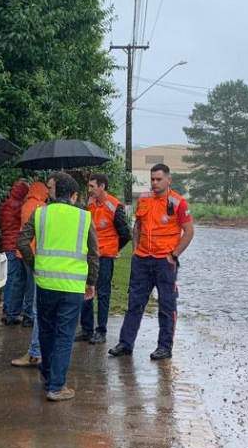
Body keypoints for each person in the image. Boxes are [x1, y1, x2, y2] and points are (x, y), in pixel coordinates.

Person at [17, 172, 99, 401]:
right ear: (73, 195)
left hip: (45, 283)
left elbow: (22, 241)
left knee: (46, 330)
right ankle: (57, 386)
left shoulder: (40, 213)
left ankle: (47, 375)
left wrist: (34, 264)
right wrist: (91, 282)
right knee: (64, 335)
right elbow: (94, 253)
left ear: (54, 193)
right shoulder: (84, 218)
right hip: (72, 287)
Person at [108, 163, 194, 361]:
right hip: (143, 260)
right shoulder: (144, 199)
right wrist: (137, 250)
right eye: (152, 179)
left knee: (166, 305)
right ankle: (125, 343)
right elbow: (137, 226)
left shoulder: (178, 202)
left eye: (158, 179)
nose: (154, 183)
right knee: (134, 303)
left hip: (165, 262)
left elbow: (189, 231)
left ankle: (165, 347)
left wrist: (174, 255)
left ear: (168, 180)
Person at [77, 173, 131, 344]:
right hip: (88, 256)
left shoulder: (115, 206)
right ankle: (86, 329)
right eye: (89, 186)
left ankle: (101, 330)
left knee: (103, 293)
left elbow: (125, 234)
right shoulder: (89, 205)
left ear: (102, 187)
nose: (89, 189)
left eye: (92, 186)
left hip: (105, 257)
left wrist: (114, 249)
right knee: (86, 290)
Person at [10, 180, 49, 367]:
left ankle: (21, 313)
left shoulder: (26, 204)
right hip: (34, 254)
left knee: (22, 285)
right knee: (33, 291)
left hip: (22, 253)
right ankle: (29, 317)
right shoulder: (41, 207)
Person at [0, 179, 30, 325]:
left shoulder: (6, 204)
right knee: (15, 279)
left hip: (7, 243)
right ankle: (10, 309)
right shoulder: (19, 206)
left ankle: (8, 308)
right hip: (15, 244)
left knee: (11, 278)